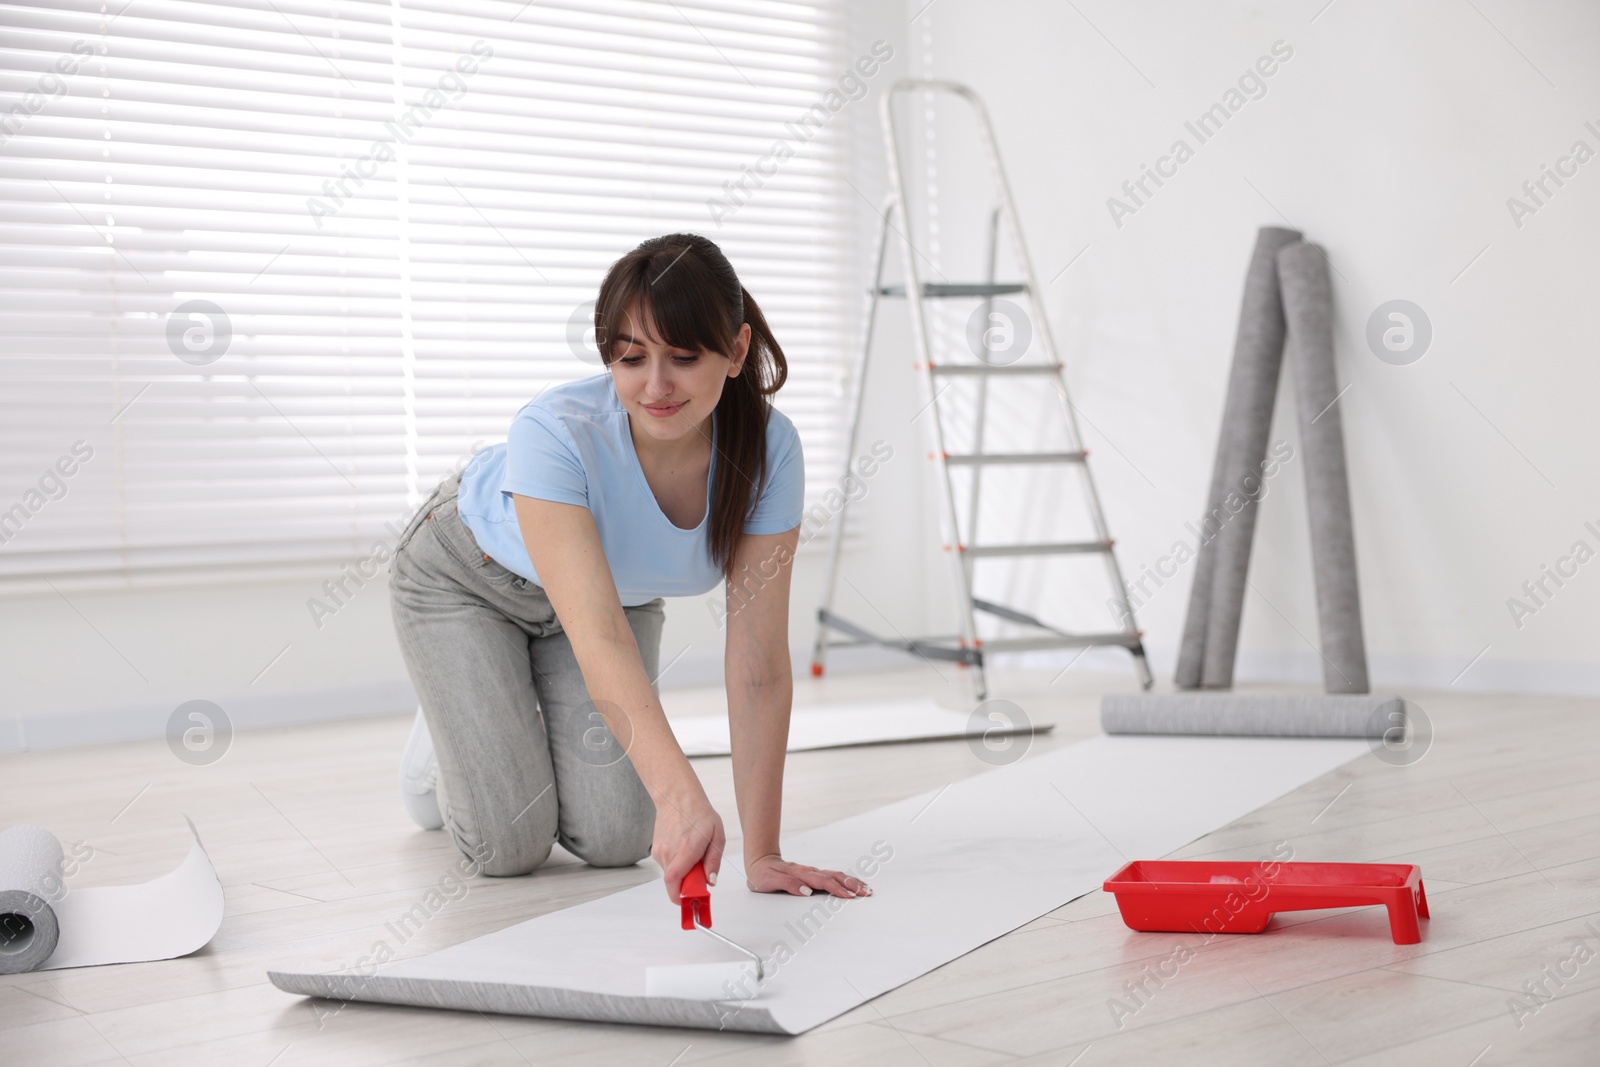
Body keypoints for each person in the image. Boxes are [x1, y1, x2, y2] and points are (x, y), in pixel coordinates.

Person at [389, 233, 870, 905]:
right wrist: (682, 796)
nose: (656, 386)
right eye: (631, 358)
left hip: (612, 604)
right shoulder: (554, 429)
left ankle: (492, 708)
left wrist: (763, 854)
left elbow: (758, 659)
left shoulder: (769, 449)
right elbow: (600, 638)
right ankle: (444, 728)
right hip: (469, 582)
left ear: (735, 351)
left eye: (683, 357)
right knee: (507, 845)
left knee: (617, 839)